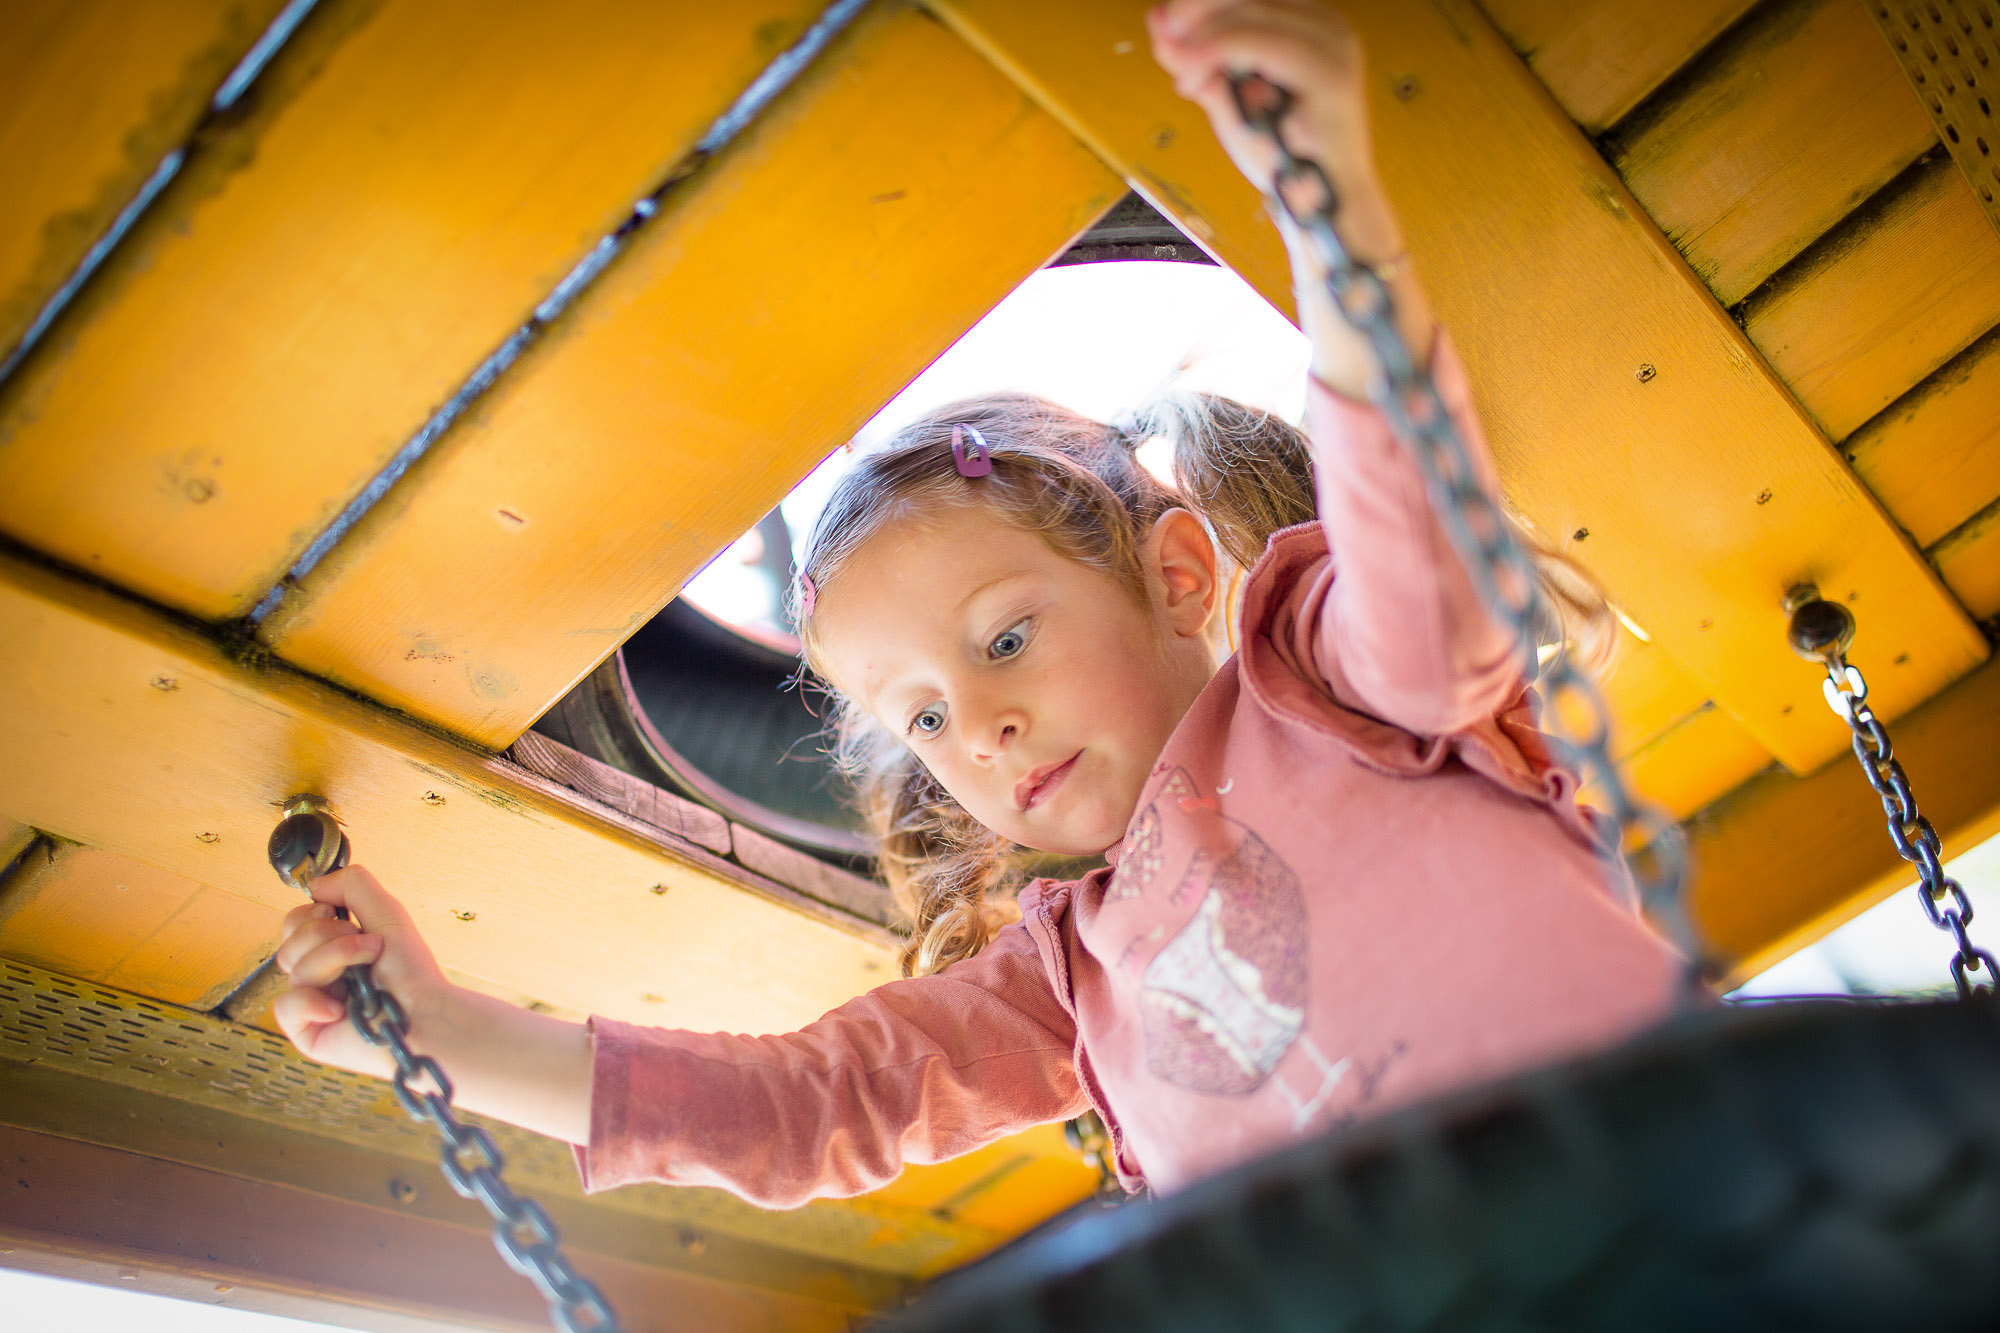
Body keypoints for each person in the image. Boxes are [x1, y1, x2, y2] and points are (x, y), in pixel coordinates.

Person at [273, 0, 1683, 1206]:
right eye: (928, 716)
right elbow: (806, 1104)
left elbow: (1414, 534)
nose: (985, 730)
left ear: (1179, 577)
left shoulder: (1336, 683)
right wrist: (445, 1033)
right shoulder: (1067, 982)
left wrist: (1332, 214)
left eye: (1005, 638)